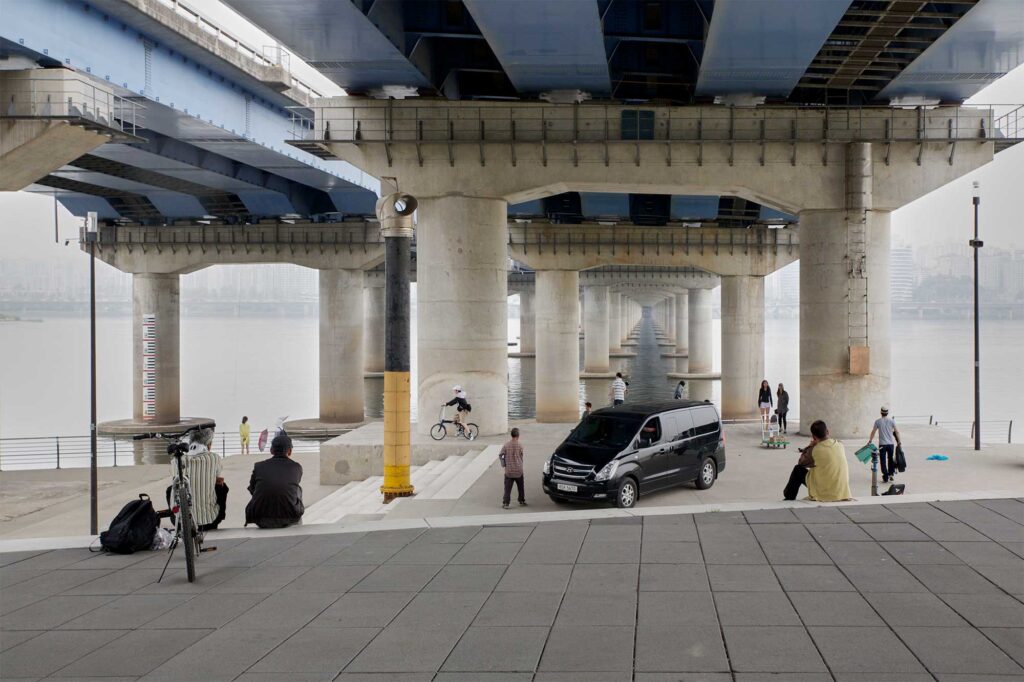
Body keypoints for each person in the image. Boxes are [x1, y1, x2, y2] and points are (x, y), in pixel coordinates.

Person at [165, 427, 228, 531]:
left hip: (181, 523)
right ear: (208, 443)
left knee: (171, 489)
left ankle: (177, 515)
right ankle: (212, 514)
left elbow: (174, 477)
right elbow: (216, 475)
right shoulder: (215, 458)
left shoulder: (176, 460)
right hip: (209, 521)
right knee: (222, 487)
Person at [245, 432, 304, 529]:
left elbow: (252, 489)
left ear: (271, 450)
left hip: (260, 517)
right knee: (297, 489)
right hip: (289, 517)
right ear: (289, 451)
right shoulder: (296, 467)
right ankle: (297, 528)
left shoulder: (259, 466)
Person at [783, 420, 852, 502]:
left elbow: (801, 462)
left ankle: (788, 497)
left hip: (824, 493)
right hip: (842, 492)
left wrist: (809, 446)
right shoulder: (839, 444)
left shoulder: (815, 450)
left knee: (797, 469)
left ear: (813, 437)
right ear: (827, 431)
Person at [867, 405, 902, 484]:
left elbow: (873, 431)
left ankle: (885, 477)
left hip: (882, 445)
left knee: (882, 461)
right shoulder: (892, 421)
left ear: (881, 413)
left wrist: (870, 440)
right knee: (890, 459)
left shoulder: (878, 421)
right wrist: (899, 441)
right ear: (887, 413)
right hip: (891, 444)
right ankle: (891, 474)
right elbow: (897, 432)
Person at [499, 427, 526, 509]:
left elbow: (501, 455)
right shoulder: (520, 445)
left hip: (509, 471)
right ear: (518, 436)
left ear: (511, 435)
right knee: (520, 487)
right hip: (518, 470)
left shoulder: (506, 445)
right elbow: (521, 456)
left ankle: (506, 503)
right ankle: (521, 500)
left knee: (507, 488)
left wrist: (504, 464)